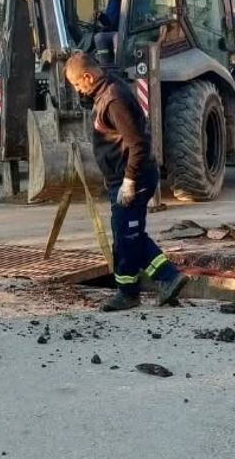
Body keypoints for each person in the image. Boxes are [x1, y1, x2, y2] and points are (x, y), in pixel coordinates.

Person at [63, 52, 188, 312]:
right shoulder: (105, 89)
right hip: (120, 178)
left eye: (77, 84)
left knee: (127, 238)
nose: (77, 90)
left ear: (88, 77)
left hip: (132, 179)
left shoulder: (114, 100)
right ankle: (163, 279)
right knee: (127, 236)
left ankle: (136, 291)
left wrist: (129, 181)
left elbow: (138, 145)